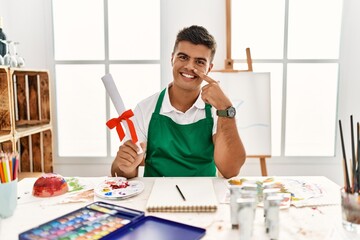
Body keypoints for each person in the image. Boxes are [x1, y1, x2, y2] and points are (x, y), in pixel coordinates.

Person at [111, 25, 246, 179]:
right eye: (183, 57)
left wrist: (226, 108)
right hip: (155, 198)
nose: (189, 66)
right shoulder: (145, 108)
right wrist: (126, 166)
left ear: (209, 68)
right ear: (172, 59)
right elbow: (118, 172)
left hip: (204, 198)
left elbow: (231, 170)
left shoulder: (219, 111)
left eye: (200, 62)